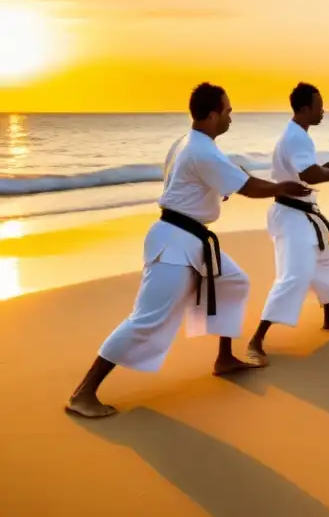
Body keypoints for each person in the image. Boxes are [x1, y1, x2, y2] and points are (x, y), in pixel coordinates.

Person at [65, 83, 313, 419]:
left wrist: (219, 190)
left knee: (234, 282)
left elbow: (202, 181)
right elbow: (248, 187)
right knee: (146, 320)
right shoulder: (201, 150)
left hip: (191, 239)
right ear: (211, 115)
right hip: (174, 242)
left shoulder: (191, 143)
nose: (230, 117)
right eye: (227, 111)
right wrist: (282, 187)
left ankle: (224, 358)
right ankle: (83, 393)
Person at [247, 83, 329, 366]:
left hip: (304, 212)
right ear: (305, 109)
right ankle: (256, 340)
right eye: (319, 106)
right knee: (294, 275)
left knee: (325, 263)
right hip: (290, 215)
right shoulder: (298, 138)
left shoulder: (297, 135)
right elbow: (311, 174)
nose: (323, 111)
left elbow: (307, 172)